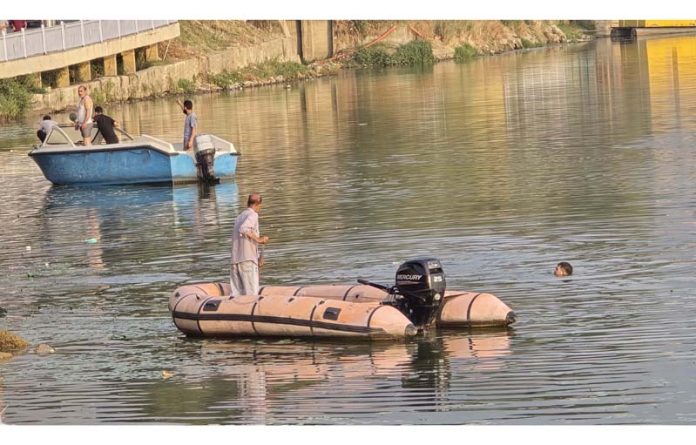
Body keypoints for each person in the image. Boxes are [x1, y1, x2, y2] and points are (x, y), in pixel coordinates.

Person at [230, 194, 269, 296]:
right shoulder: (253, 215)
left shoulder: (239, 217)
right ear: (257, 204)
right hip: (247, 261)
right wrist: (259, 240)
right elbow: (244, 229)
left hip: (235, 261)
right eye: (260, 206)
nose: (260, 208)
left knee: (237, 295)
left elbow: (243, 239)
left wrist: (258, 258)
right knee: (251, 295)